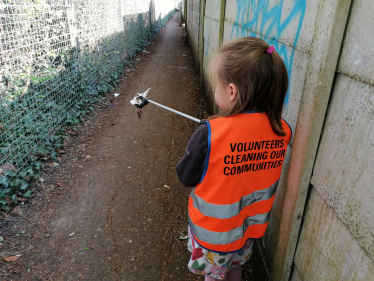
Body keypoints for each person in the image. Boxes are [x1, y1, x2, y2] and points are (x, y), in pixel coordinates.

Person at [176, 37, 292, 281]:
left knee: (213, 276)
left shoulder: (211, 132)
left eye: (216, 85)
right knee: (234, 269)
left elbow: (185, 175)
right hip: (247, 228)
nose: (215, 89)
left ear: (231, 91)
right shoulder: (282, 130)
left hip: (214, 233)